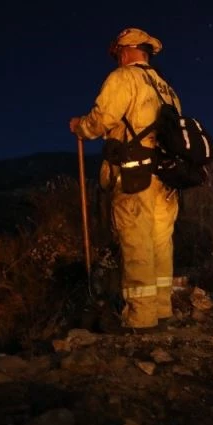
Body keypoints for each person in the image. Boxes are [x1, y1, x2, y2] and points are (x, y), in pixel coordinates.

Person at [69, 27, 181, 330]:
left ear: (129, 50)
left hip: (134, 177)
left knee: (136, 242)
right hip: (166, 179)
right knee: (160, 244)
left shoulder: (124, 78)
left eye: (118, 52)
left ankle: (140, 318)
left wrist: (80, 127)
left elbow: (101, 120)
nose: (117, 58)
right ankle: (161, 309)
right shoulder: (166, 88)